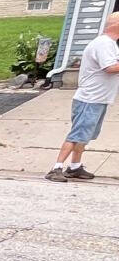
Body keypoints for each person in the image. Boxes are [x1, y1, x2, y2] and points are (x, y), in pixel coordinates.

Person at [47, 13, 119, 182]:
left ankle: (74, 167)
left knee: (84, 135)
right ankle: (56, 168)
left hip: (98, 99)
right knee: (77, 134)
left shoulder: (110, 44)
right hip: (89, 99)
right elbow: (109, 67)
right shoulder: (103, 44)